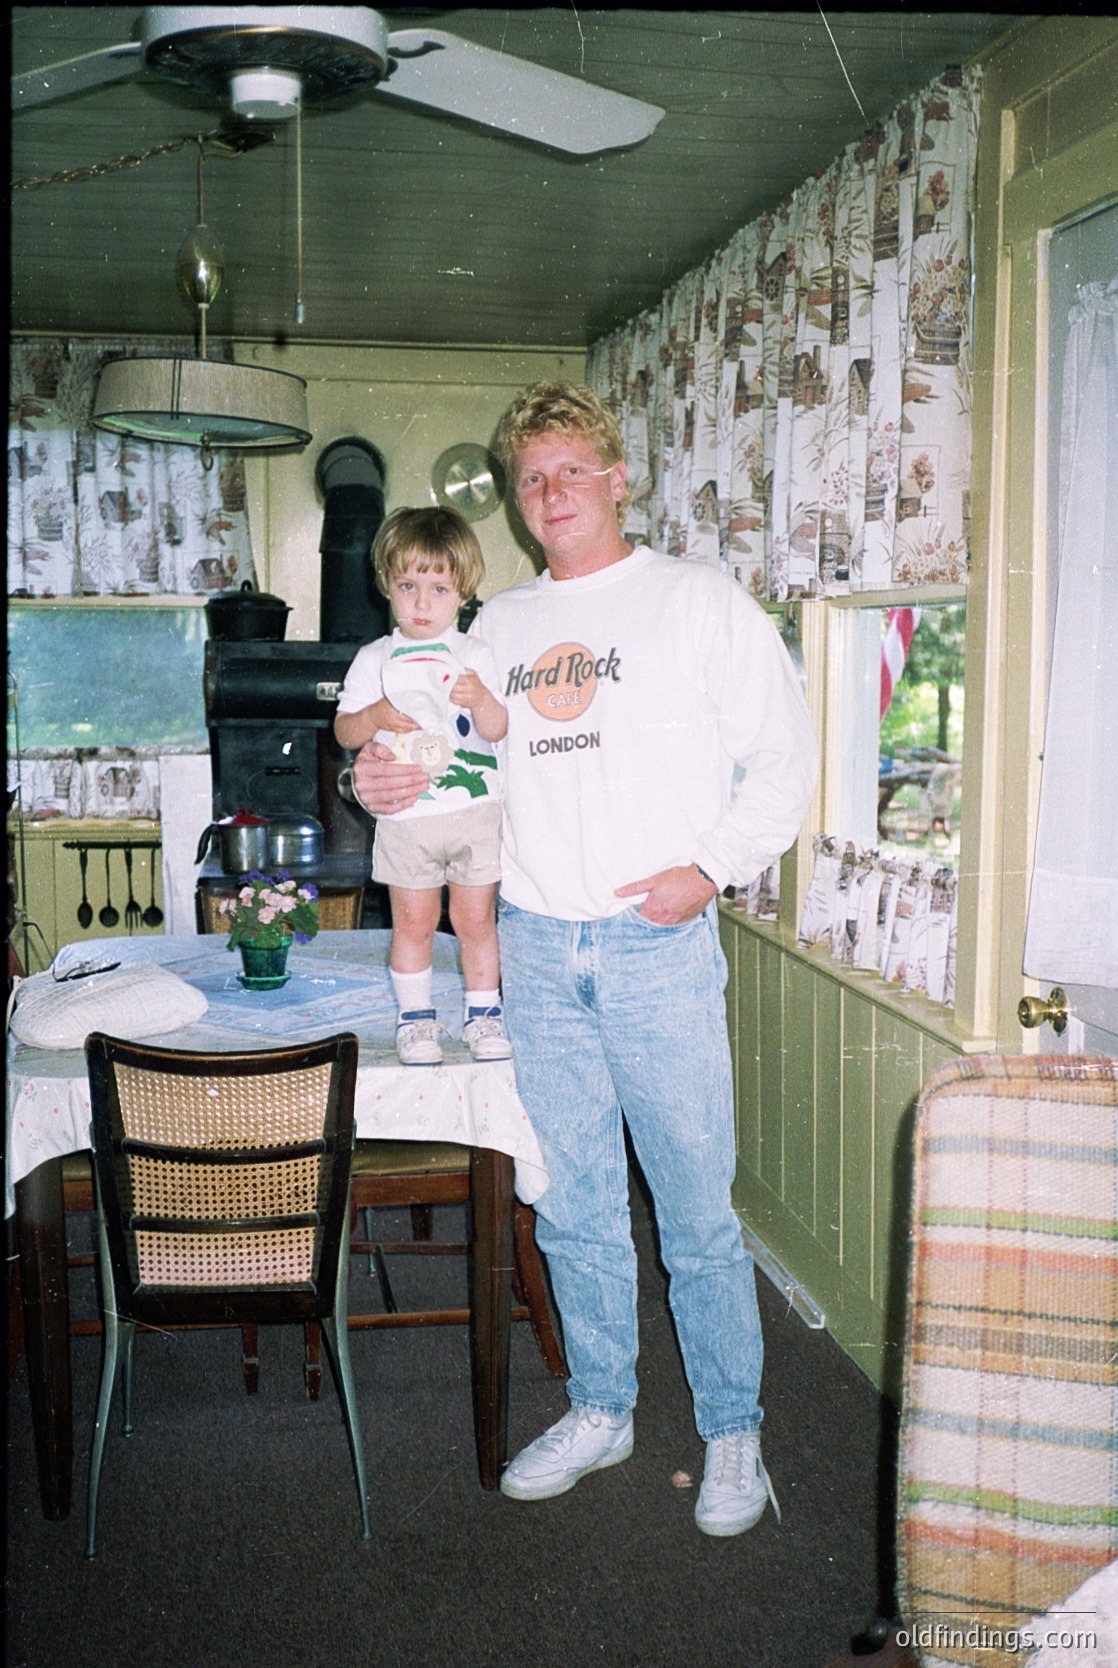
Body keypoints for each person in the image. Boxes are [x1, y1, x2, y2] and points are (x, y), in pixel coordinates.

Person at [353, 383, 819, 1536]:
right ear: (514, 505)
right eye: (530, 479)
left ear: (616, 478)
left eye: (570, 470)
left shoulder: (695, 600)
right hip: (533, 955)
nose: (550, 493)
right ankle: (602, 1407)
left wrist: (704, 870)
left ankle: (730, 1428)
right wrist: (380, 783)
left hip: (655, 945)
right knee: (570, 1209)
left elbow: (784, 762)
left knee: (697, 1214)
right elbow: (434, 760)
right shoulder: (491, 629)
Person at [335, 505, 512, 1066]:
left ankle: (484, 1016)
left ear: (462, 592)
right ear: (387, 584)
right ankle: (416, 1021)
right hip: (407, 818)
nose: (421, 603)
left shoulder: (475, 655)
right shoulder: (375, 658)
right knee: (413, 922)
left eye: (438, 588)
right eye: (408, 585)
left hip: (476, 812)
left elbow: (498, 728)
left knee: (474, 920)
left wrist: (481, 698)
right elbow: (343, 727)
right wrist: (378, 713)